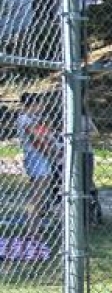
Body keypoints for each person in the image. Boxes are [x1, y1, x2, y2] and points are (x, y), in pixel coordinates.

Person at [16, 92, 59, 236]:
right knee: (37, 194)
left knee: (42, 194)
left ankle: (36, 225)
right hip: (36, 158)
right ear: (33, 105)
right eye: (40, 104)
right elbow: (37, 140)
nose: (42, 107)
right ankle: (31, 229)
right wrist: (51, 152)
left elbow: (47, 135)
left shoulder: (35, 119)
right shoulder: (25, 119)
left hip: (42, 157)